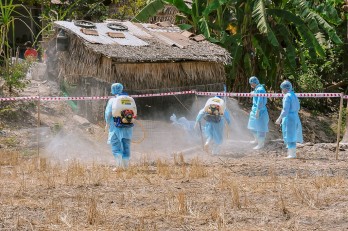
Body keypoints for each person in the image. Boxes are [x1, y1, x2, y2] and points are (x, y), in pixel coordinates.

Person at [105, 83, 135, 168]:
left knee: (116, 145)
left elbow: (108, 114)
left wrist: (107, 123)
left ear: (113, 90)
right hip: (128, 126)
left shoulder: (112, 100)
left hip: (116, 127)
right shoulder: (130, 99)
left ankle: (119, 166)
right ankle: (126, 166)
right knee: (126, 146)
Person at [275, 80, 303, 159]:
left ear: (284, 88)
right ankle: (291, 153)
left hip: (289, 118)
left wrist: (279, 118)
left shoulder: (287, 96)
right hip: (295, 117)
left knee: (289, 135)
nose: (282, 90)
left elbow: (285, 110)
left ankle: (292, 154)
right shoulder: (293, 95)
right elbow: (298, 107)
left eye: (282, 88)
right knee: (293, 135)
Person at [247, 76, 269, 149]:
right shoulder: (257, 89)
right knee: (252, 126)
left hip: (260, 111)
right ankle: (256, 140)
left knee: (260, 128)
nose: (251, 85)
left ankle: (261, 143)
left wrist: (258, 110)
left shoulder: (260, 89)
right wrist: (252, 93)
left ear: (254, 83)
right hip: (254, 110)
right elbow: (255, 94)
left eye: (251, 83)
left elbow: (260, 101)